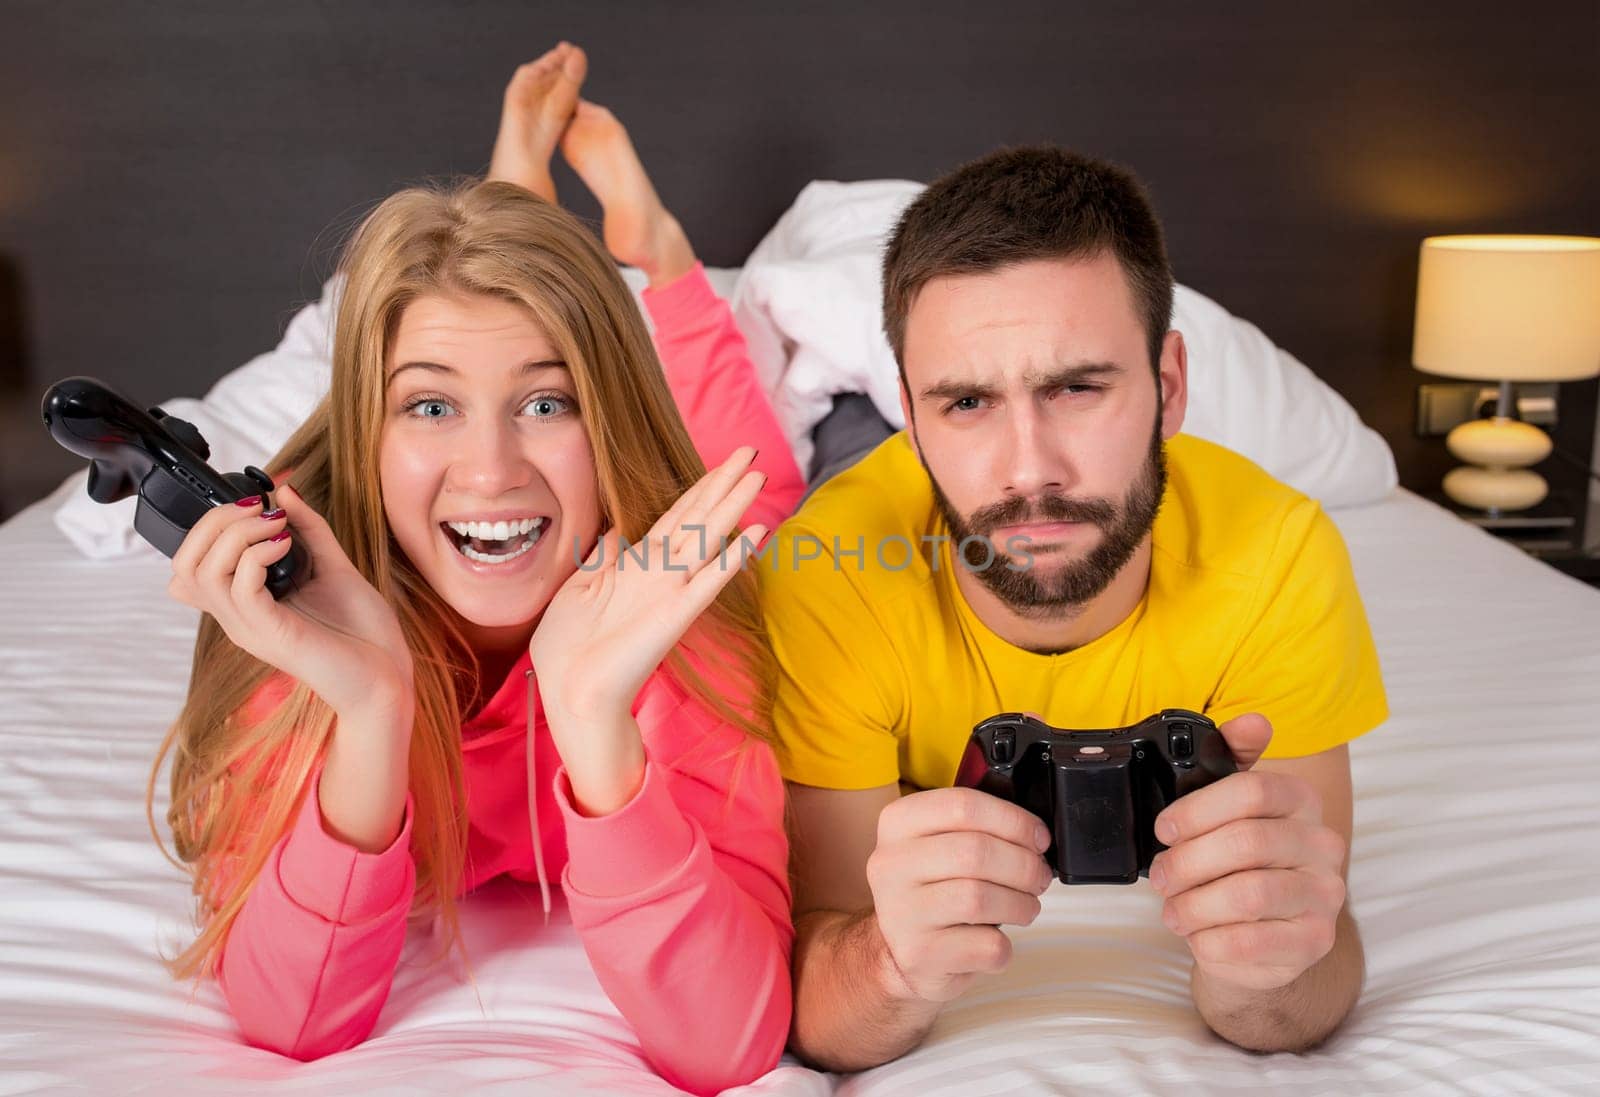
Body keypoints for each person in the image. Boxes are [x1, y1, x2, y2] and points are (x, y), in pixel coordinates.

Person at [151, 43, 805, 1095]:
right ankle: (519, 208)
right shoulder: (304, 589)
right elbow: (294, 1023)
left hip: (637, 558)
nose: (491, 467)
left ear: (605, 420)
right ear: (366, 433)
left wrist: (593, 714)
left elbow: (728, 1044)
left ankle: (658, 251)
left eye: (549, 402)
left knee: (757, 491)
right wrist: (370, 703)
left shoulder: (679, 612)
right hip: (380, 614)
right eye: (428, 404)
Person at [763, 145, 1388, 1070]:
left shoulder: (1280, 552)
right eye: (967, 400)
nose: (1030, 470)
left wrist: (1263, 962)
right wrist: (891, 964)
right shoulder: (824, 572)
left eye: (1077, 387)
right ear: (913, 413)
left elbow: (1308, 972)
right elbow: (820, 989)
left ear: (1168, 387)